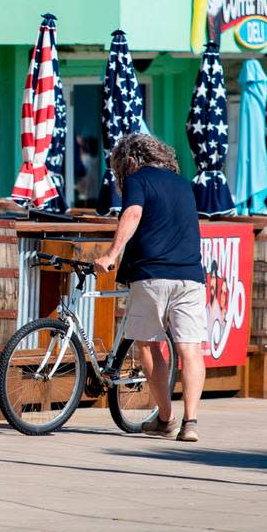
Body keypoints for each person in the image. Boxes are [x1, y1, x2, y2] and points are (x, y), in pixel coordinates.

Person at [94, 133, 207, 443]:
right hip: (191, 276)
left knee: (147, 343)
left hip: (153, 274)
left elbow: (133, 213)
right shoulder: (183, 184)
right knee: (190, 348)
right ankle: (191, 422)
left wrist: (111, 255)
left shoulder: (138, 179)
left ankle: (166, 418)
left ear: (130, 161)